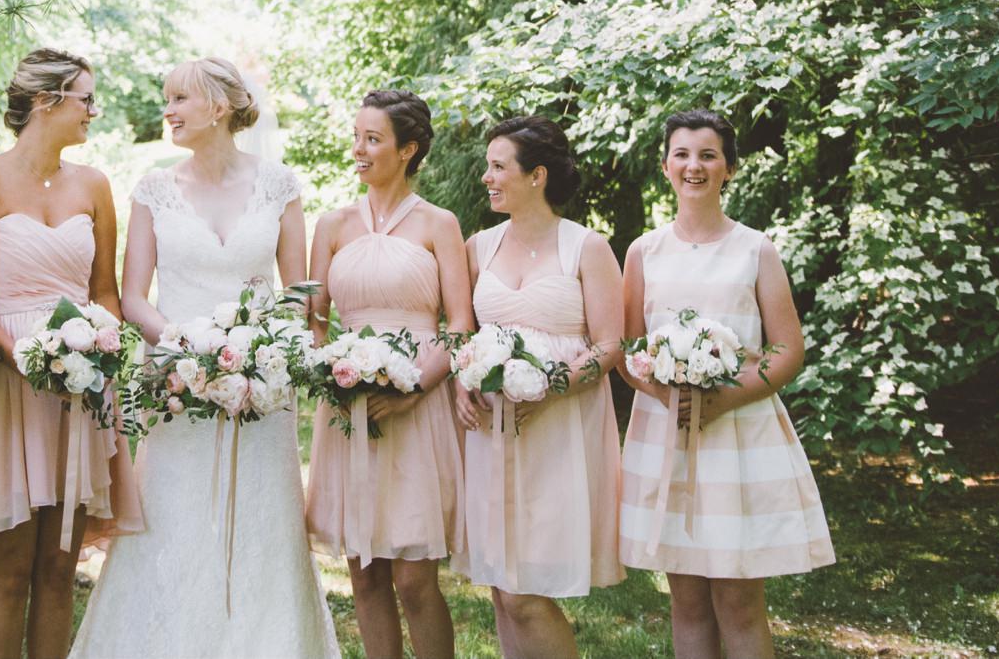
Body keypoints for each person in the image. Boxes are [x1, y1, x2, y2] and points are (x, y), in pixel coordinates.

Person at [67, 56, 338, 658]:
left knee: (262, 519)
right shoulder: (154, 190)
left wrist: (260, 355)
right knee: (175, 513)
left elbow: (297, 293)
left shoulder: (279, 186)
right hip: (177, 381)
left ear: (218, 107)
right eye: (168, 98)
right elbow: (132, 298)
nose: (167, 110)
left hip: (261, 388)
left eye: (179, 99)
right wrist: (191, 347)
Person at [0, 48, 142, 659]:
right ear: (44, 101)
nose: (93, 110)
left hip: (79, 391)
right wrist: (25, 357)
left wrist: (99, 346)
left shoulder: (95, 186)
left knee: (59, 569)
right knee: (9, 571)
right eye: (86, 98)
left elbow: (104, 292)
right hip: (7, 387)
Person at [620, 109, 833, 659]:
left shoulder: (755, 249)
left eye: (708, 155)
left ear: (729, 168)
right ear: (665, 166)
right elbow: (628, 350)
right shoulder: (643, 251)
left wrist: (722, 400)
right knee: (687, 599)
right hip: (669, 432)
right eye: (682, 154)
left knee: (739, 601)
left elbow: (788, 349)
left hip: (739, 433)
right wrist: (668, 395)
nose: (694, 166)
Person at [304, 89, 473, 659]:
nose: (358, 149)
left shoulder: (439, 224)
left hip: (417, 405)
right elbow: (315, 321)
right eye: (356, 137)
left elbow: (460, 325)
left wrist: (415, 388)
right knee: (366, 575)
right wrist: (331, 374)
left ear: (408, 150)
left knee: (414, 581)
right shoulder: (332, 225)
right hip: (349, 405)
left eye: (372, 139)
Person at [456, 116, 624, 659]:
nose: (487, 178)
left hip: (558, 429)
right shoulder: (478, 247)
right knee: (502, 588)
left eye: (498, 167)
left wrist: (549, 386)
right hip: (491, 430)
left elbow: (609, 347)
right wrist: (462, 379)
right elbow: (461, 332)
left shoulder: (586, 247)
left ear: (537, 176)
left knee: (525, 593)